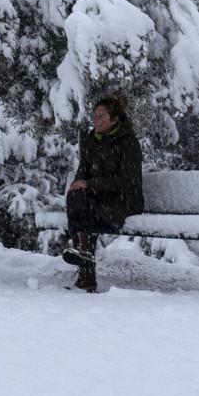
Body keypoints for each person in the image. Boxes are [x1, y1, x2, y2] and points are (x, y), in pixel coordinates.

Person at [62, 95, 144, 292]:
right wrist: (78, 184)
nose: (95, 120)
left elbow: (126, 181)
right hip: (97, 199)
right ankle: (84, 259)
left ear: (114, 119)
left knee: (83, 208)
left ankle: (86, 271)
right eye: (94, 115)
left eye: (101, 116)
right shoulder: (91, 140)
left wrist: (89, 184)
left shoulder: (128, 142)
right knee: (76, 198)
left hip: (123, 202)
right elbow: (84, 169)